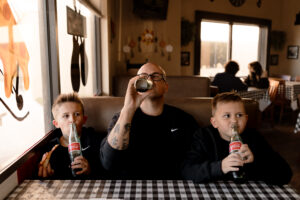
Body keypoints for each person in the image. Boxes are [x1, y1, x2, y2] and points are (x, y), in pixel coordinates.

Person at [100, 62, 199, 179]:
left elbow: (195, 160)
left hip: (172, 187)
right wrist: (128, 108)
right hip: (131, 187)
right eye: (143, 77)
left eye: (156, 76)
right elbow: (109, 163)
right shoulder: (122, 117)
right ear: (137, 84)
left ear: (166, 86)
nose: (150, 79)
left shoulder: (183, 119)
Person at [182, 92, 292, 185]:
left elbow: (285, 174)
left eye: (239, 115)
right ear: (214, 122)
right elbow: (188, 171)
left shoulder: (254, 137)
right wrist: (220, 167)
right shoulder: (203, 136)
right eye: (227, 116)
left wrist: (255, 161)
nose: (234, 121)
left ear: (246, 119)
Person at [38, 93, 104, 179]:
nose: (72, 120)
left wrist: (90, 170)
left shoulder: (95, 141)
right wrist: (47, 175)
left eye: (77, 114)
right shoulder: (50, 149)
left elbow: (106, 170)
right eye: (66, 116)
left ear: (84, 120)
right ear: (56, 123)